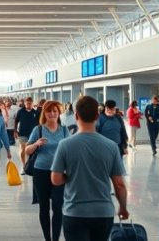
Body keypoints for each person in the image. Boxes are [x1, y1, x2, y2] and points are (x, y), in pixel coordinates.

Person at [51, 96, 129, 241]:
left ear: (75, 116)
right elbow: (119, 184)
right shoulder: (111, 146)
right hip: (103, 212)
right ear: (98, 116)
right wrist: (123, 207)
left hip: (74, 212)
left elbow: (55, 179)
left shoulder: (65, 144)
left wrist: (71, 176)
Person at [26, 101, 69, 241]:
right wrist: (36, 144)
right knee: (44, 207)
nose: (52, 114)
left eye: (55, 111)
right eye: (49, 111)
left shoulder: (64, 130)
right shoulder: (38, 130)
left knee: (58, 207)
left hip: (59, 173)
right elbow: (27, 150)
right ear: (44, 113)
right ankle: (47, 238)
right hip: (41, 172)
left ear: (59, 112)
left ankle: (55, 238)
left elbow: (70, 151)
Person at [15, 97, 39, 173]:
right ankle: (24, 165)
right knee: (23, 150)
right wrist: (15, 131)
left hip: (33, 135)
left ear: (32, 104)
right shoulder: (20, 112)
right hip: (22, 133)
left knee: (31, 151)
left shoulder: (35, 112)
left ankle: (30, 165)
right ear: (25, 103)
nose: (29, 105)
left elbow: (38, 123)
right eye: (27, 103)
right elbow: (16, 121)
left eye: (30, 103)